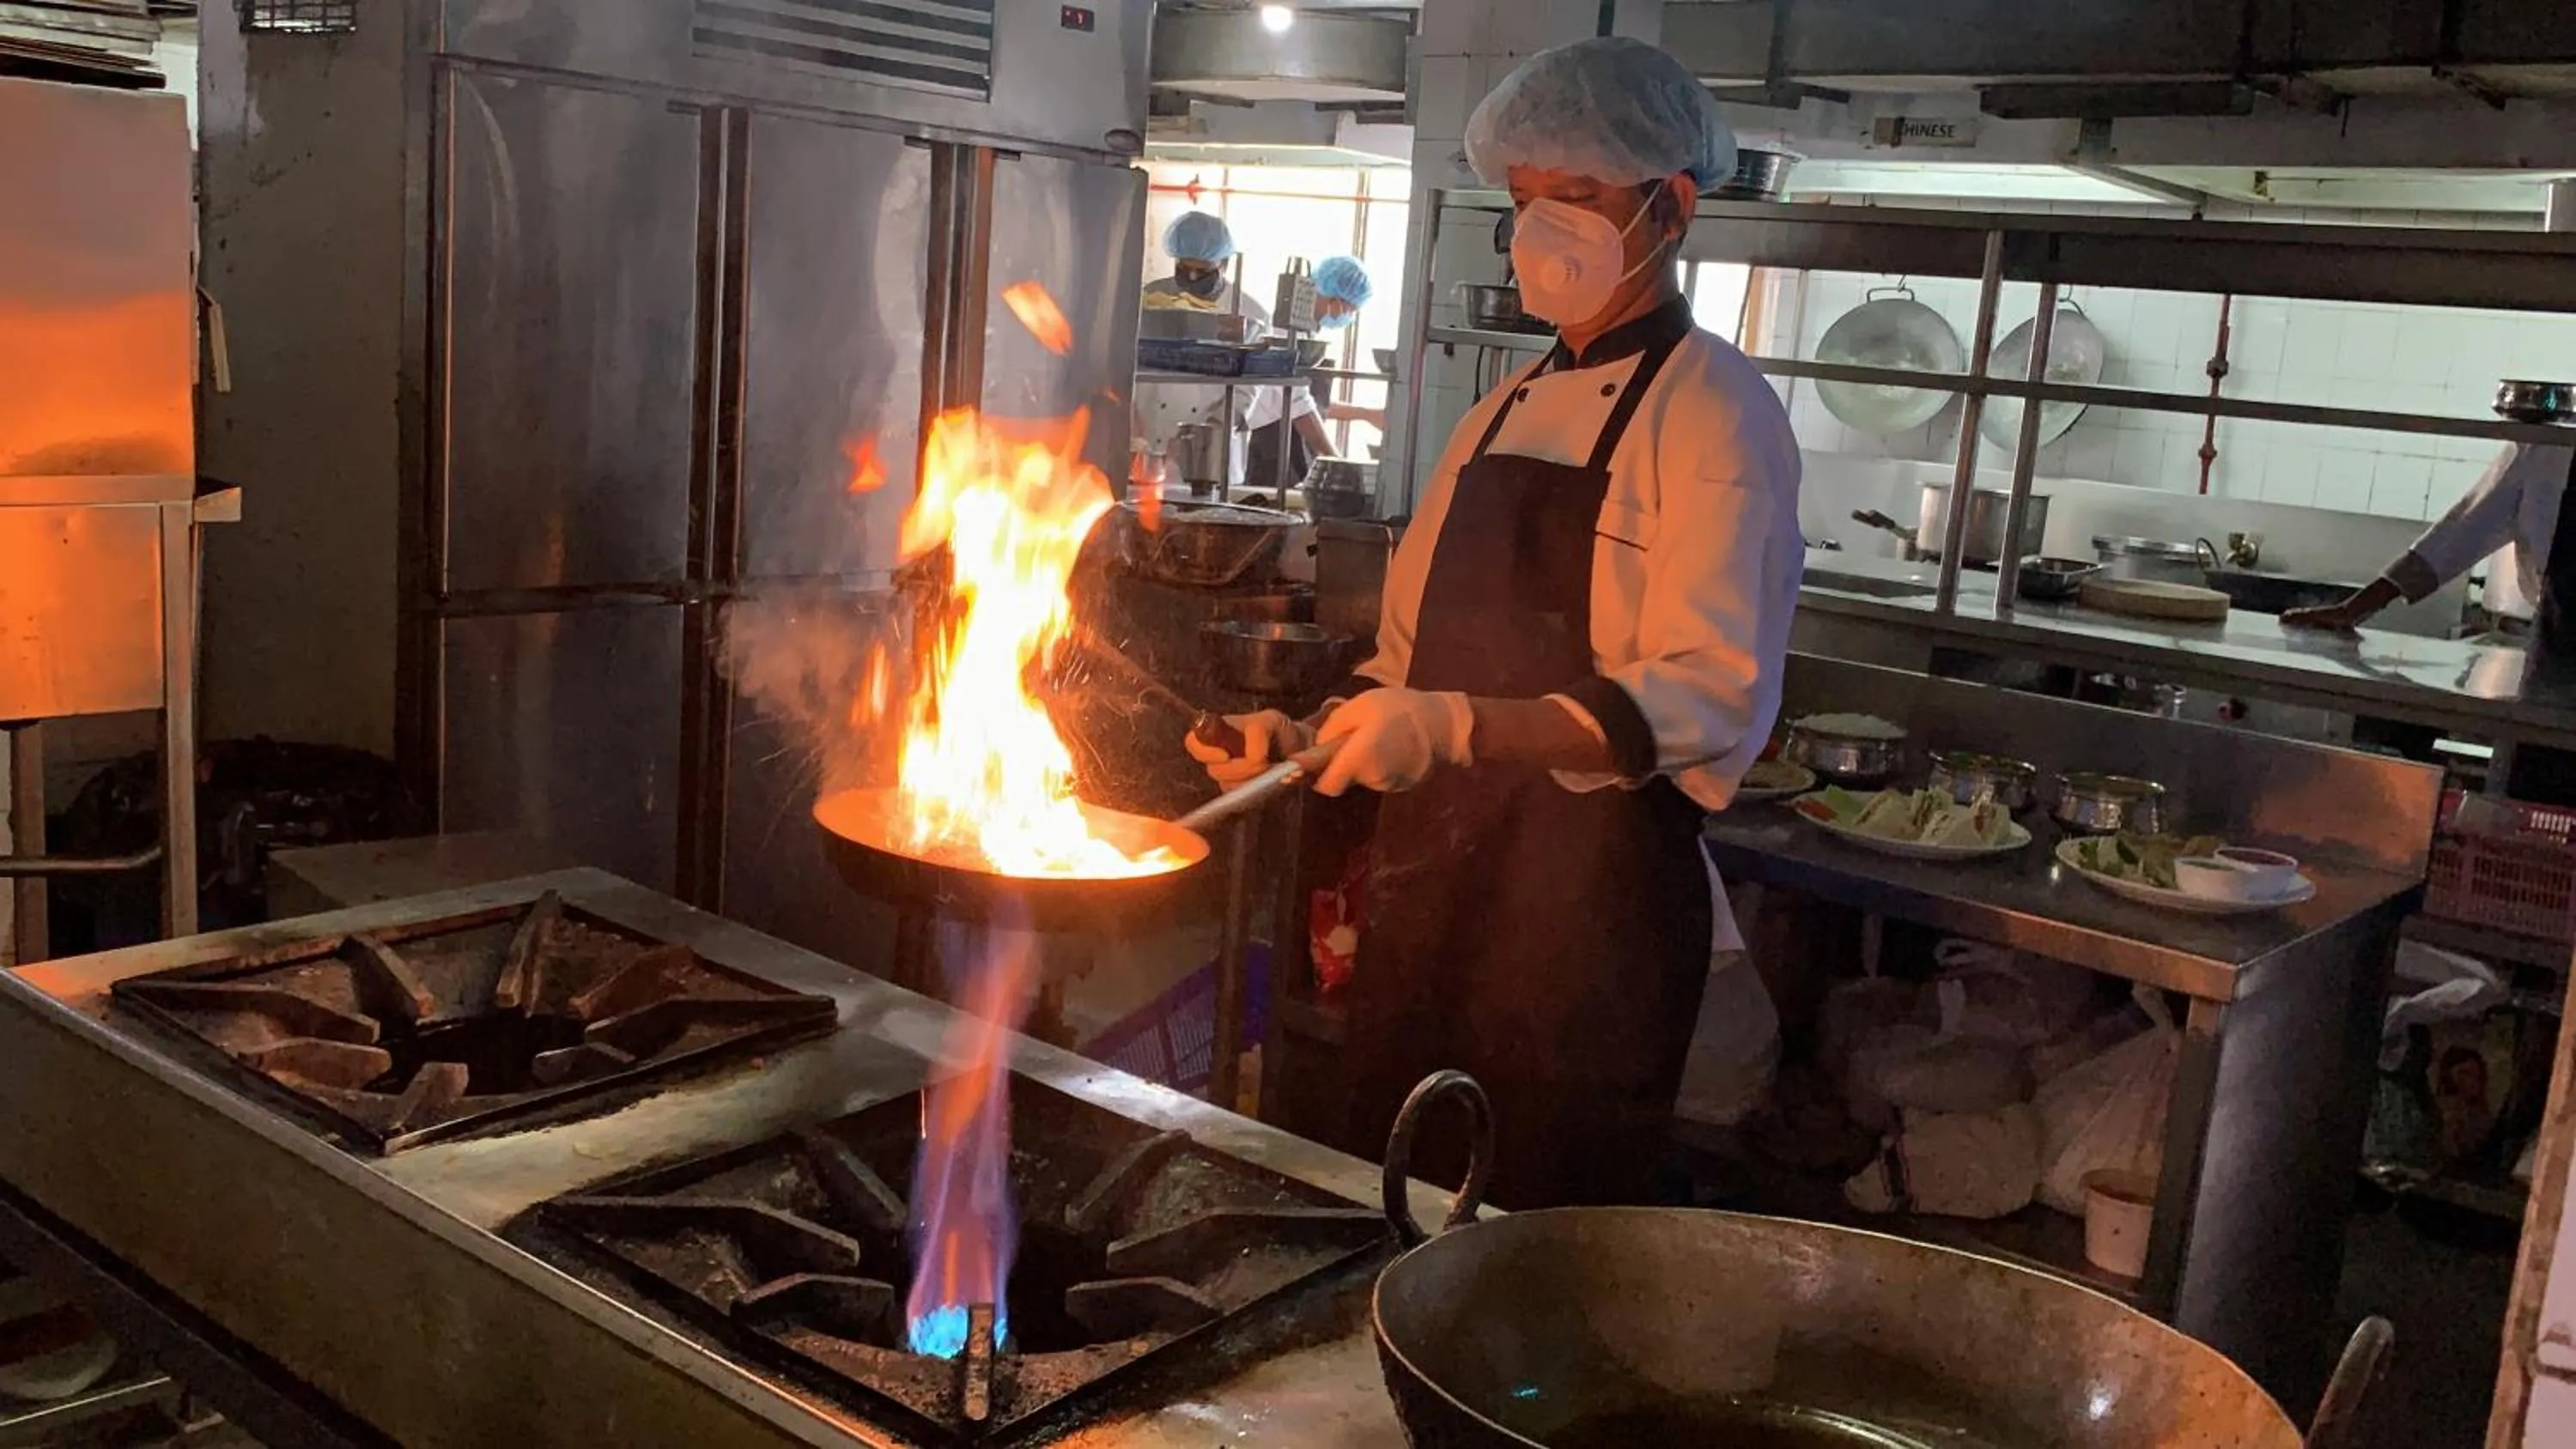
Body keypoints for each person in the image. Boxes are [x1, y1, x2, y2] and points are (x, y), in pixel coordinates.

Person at [1187, 36, 1804, 1208]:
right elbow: (1407, 671)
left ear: (1669, 208)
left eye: (1576, 196)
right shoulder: (1499, 411)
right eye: (1524, 201)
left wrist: (1463, 729)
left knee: (1527, 1244)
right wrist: (1306, 734)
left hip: (1586, 927)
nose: (1539, 228)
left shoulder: (1717, 410)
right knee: (1393, 1201)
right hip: (1435, 900)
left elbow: (1709, 690)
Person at [2283, 438, 2576, 799]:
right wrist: (2354, 609)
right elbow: (2459, 530)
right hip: (2554, 664)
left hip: (2551, 665)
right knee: (2526, 808)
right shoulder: (2548, 449)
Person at [1243, 255, 1374, 493]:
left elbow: (1315, 404)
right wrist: (1337, 464)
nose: (1345, 316)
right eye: (1349, 308)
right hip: (1274, 457)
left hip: (1293, 454)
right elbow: (1299, 406)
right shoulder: (1283, 335)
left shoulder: (1307, 336)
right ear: (1336, 301)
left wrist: (1366, 414)